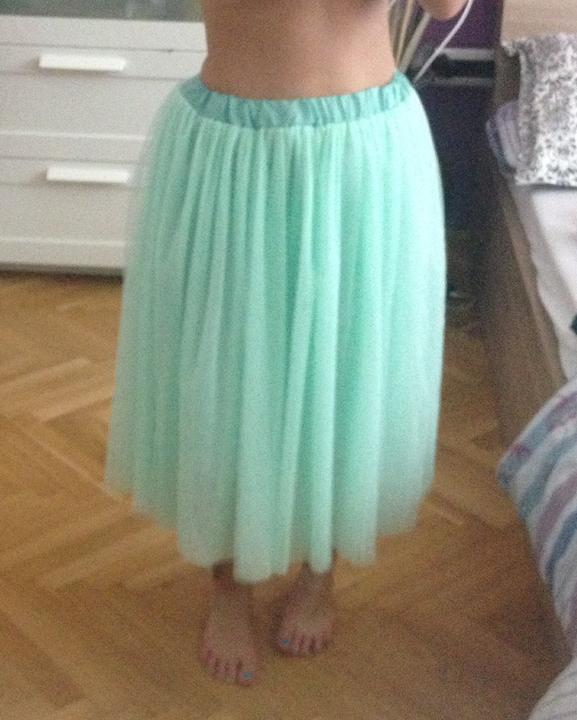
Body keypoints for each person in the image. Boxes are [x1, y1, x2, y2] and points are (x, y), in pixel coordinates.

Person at [103, 0, 469, 688]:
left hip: (365, 148)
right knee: (225, 378)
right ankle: (229, 584)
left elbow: (445, 5)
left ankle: (320, 570)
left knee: (348, 368)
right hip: (233, 150)